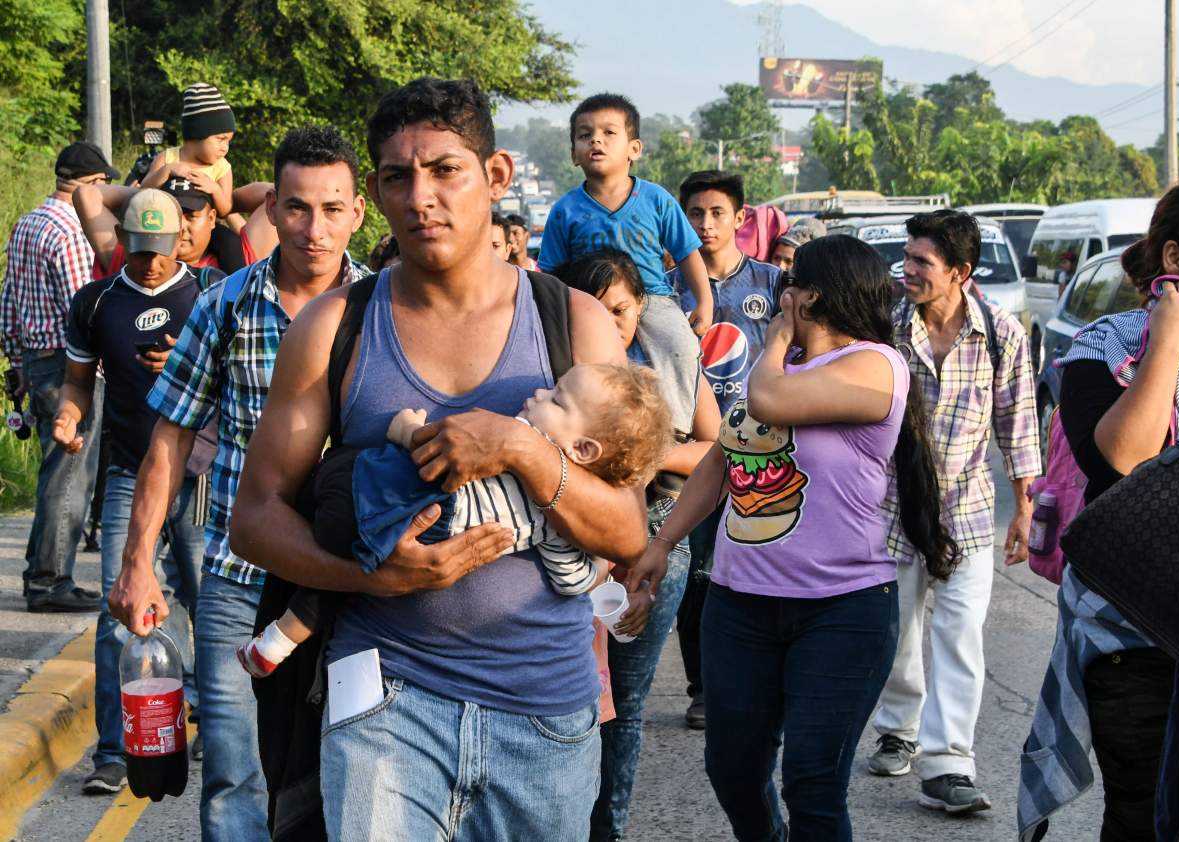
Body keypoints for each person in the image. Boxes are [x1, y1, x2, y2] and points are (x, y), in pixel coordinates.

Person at [228, 77, 649, 842]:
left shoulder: (574, 324)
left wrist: (521, 447)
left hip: (546, 714)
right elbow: (254, 519)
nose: (421, 196)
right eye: (397, 176)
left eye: (445, 169)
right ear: (377, 196)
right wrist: (373, 576)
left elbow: (627, 532)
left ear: (496, 176)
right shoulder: (334, 328)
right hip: (384, 699)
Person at [626, 234, 958, 841]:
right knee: (732, 768)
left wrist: (776, 337)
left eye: (793, 282)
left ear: (815, 296)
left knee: (812, 780)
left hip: (842, 611)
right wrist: (662, 542)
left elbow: (768, 400)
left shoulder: (874, 364)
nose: (782, 290)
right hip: (739, 605)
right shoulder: (780, 369)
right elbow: (722, 462)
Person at [106, 126, 368, 840]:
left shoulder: (386, 311)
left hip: (349, 585)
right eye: (297, 208)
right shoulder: (223, 306)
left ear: (358, 212)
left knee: (350, 769)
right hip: (235, 574)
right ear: (269, 209)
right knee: (234, 769)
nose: (314, 229)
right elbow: (170, 436)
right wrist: (138, 565)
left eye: (331, 208)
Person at [236, 361, 672, 678]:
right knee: (336, 579)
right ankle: (277, 642)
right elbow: (569, 579)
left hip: (387, 491)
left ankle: (278, 640)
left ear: (583, 450)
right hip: (395, 514)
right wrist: (595, 569)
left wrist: (405, 430)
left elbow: (442, 451)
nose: (540, 394)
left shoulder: (522, 440)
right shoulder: (558, 509)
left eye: (556, 399)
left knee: (334, 541)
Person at [1018, 178, 1179, 841]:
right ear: (1175, 259)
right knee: (1144, 819)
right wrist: (1169, 342)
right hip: (1136, 636)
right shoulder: (1104, 345)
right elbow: (1124, 460)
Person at [869, 209, 1040, 813]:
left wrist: (1024, 510)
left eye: (922, 262)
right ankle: (898, 728)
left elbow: (1017, 425)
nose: (907, 270)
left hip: (968, 512)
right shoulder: (885, 328)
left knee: (960, 635)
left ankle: (948, 764)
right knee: (898, 631)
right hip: (889, 510)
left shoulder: (1001, 334)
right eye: (907, 258)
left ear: (961, 273)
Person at [54, 189, 218, 794]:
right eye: (138, 247)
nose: (150, 262)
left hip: (200, 474)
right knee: (118, 608)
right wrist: (69, 418)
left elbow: (243, 383)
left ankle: (215, 731)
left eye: (161, 247)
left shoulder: (212, 293)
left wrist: (189, 363)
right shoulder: (96, 302)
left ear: (184, 238)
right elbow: (77, 383)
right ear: (122, 238)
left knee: (211, 608)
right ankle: (114, 751)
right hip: (128, 469)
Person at [557, 248, 721, 842]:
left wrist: (641, 457)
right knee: (569, 695)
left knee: (625, 702)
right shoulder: (556, 367)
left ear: (640, 307)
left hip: (658, 539)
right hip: (567, 545)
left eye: (621, 309)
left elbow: (717, 450)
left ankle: (610, 830)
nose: (610, 322)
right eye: (595, 309)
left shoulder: (670, 362)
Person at [669, 169, 783, 730]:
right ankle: (703, 687)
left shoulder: (772, 284)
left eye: (717, 213)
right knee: (697, 572)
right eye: (695, 213)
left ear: (741, 219)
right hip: (693, 456)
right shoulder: (668, 288)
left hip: (762, 453)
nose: (705, 224)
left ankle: (760, 683)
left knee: (760, 566)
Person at [0, 141, 117, 612]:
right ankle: (50, 581)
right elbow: (84, 307)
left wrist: (15, 364)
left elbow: (8, 302)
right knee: (70, 474)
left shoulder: (27, 224)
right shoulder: (71, 231)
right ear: (91, 185)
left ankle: (40, 571)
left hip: (35, 358)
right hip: (71, 367)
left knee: (56, 468)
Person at [537, 92, 713, 338]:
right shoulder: (564, 210)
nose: (596, 140)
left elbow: (687, 253)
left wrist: (705, 302)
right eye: (585, 135)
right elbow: (549, 274)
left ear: (635, 149)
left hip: (654, 302)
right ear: (574, 154)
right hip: (589, 307)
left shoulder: (657, 200)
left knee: (681, 350)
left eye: (608, 133)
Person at [76, 177, 278, 278]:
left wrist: (222, 200)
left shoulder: (241, 257)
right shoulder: (136, 259)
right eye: (172, 215)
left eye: (191, 216)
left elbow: (274, 193)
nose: (180, 226)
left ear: (211, 217)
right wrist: (148, 196)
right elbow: (87, 195)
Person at [142, 83, 236, 217]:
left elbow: (225, 211)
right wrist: (167, 170)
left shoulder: (222, 167)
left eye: (228, 141)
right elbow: (143, 191)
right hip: (164, 226)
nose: (225, 148)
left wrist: (215, 190)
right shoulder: (167, 158)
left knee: (230, 239)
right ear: (198, 133)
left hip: (202, 233)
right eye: (221, 139)